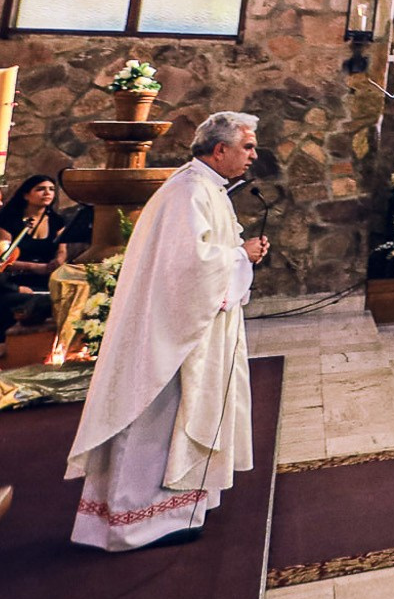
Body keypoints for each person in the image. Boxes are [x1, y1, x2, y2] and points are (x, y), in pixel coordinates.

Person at [67, 110, 269, 550]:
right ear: (220, 149)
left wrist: (238, 253)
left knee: (182, 417)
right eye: (247, 147)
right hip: (171, 336)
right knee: (158, 420)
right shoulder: (188, 190)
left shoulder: (206, 188)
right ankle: (134, 521)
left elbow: (200, 255)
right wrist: (241, 256)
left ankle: (177, 510)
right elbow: (186, 267)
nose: (253, 155)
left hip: (193, 329)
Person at [0, 174, 71, 329]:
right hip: (14, 281)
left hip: (46, 279)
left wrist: (59, 261)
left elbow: (62, 250)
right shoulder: (8, 220)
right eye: (40, 189)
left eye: (51, 189)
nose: (47, 193)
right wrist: (34, 267)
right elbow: (2, 260)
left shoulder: (57, 221)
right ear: (26, 195)